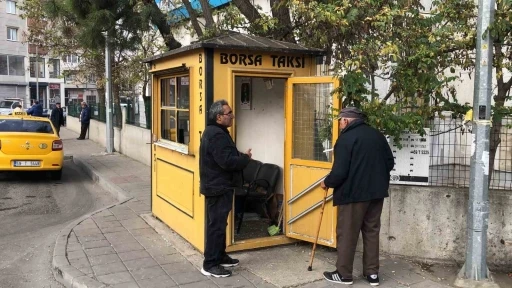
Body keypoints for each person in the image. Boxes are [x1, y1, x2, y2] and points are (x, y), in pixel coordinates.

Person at [321, 107, 395, 286]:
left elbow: (339, 172)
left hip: (353, 194)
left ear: (347, 120)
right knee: (371, 231)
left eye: (340, 120)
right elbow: (390, 163)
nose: (339, 124)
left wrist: (327, 182)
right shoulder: (377, 135)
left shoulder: (346, 139)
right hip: (376, 193)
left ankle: (344, 274)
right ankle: (372, 274)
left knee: (347, 233)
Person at [199, 99, 252, 278]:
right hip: (218, 187)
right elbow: (226, 162)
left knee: (220, 224)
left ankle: (219, 255)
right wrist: (245, 159)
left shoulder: (217, 131)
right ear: (219, 117)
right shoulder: (216, 135)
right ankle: (210, 264)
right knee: (217, 226)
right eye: (229, 114)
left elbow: (225, 156)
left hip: (219, 185)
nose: (232, 117)